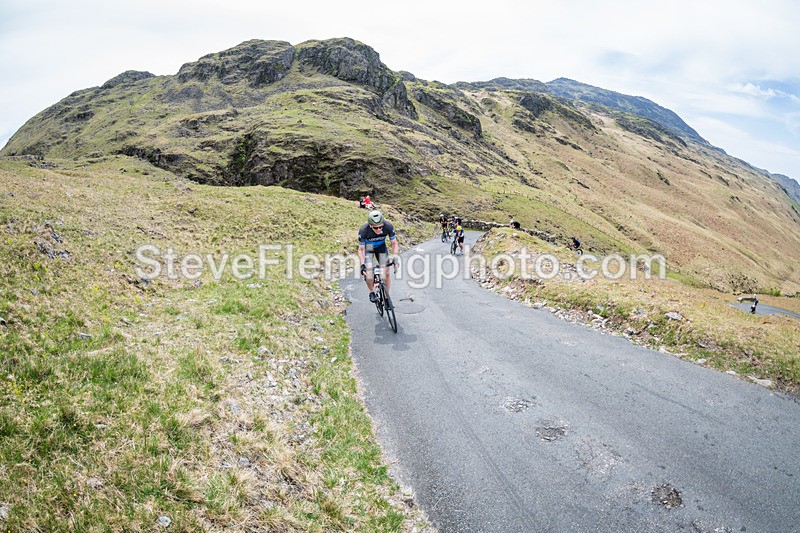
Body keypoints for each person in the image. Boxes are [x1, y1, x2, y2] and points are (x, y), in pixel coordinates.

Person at [358, 210, 398, 303]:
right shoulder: (364, 231)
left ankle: (387, 297)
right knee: (368, 272)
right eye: (376, 228)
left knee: (386, 273)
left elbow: (394, 243)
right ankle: (371, 292)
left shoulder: (388, 226)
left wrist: (395, 258)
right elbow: (361, 250)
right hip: (369, 248)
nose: (379, 230)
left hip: (381, 248)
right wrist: (362, 265)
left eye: (381, 227)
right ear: (370, 225)